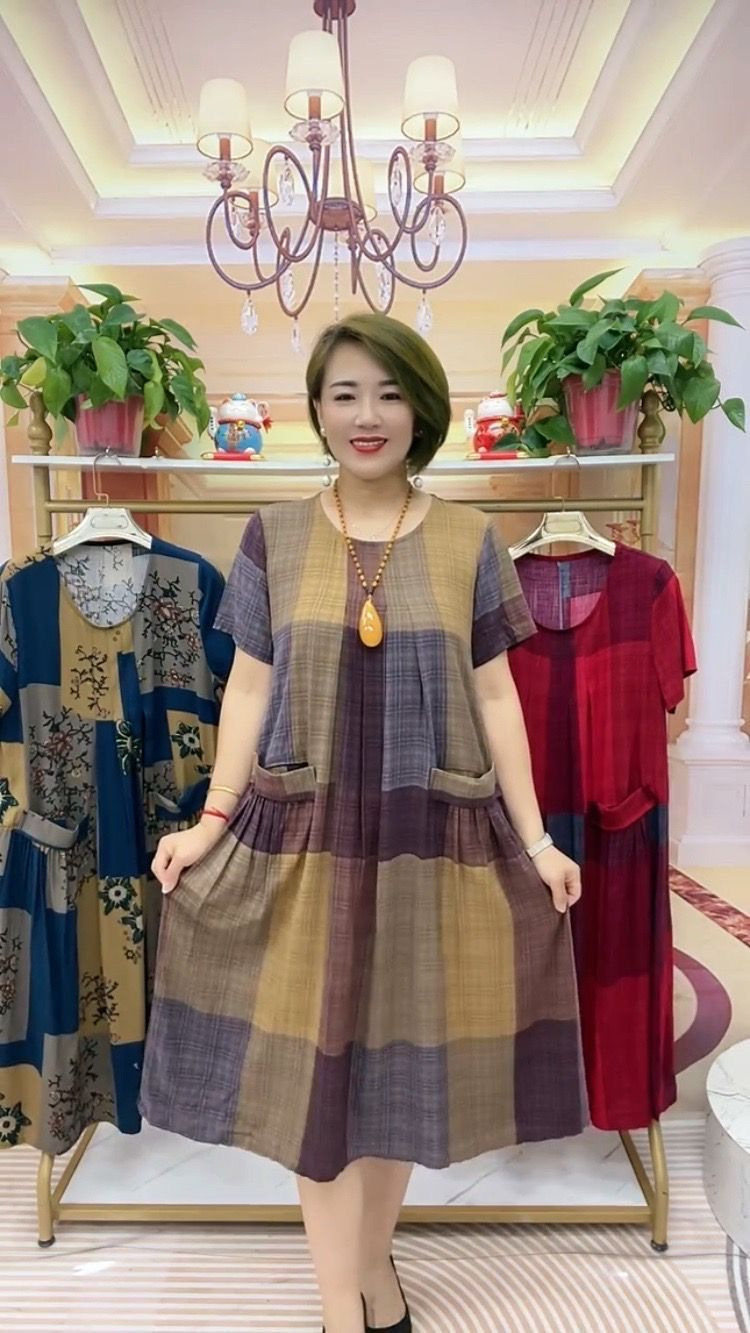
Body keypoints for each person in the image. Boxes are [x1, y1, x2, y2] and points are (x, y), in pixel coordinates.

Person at [140, 312, 586, 1333]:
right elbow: (249, 688)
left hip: (434, 842)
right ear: (318, 409)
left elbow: (498, 698)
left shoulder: (471, 539)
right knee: (316, 1083)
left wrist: (536, 840)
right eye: (344, 393)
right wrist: (211, 820)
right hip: (304, 841)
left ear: (421, 409)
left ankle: (373, 1274)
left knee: (397, 1076)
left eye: (388, 393)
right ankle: (346, 1306)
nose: (366, 414)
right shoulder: (274, 533)